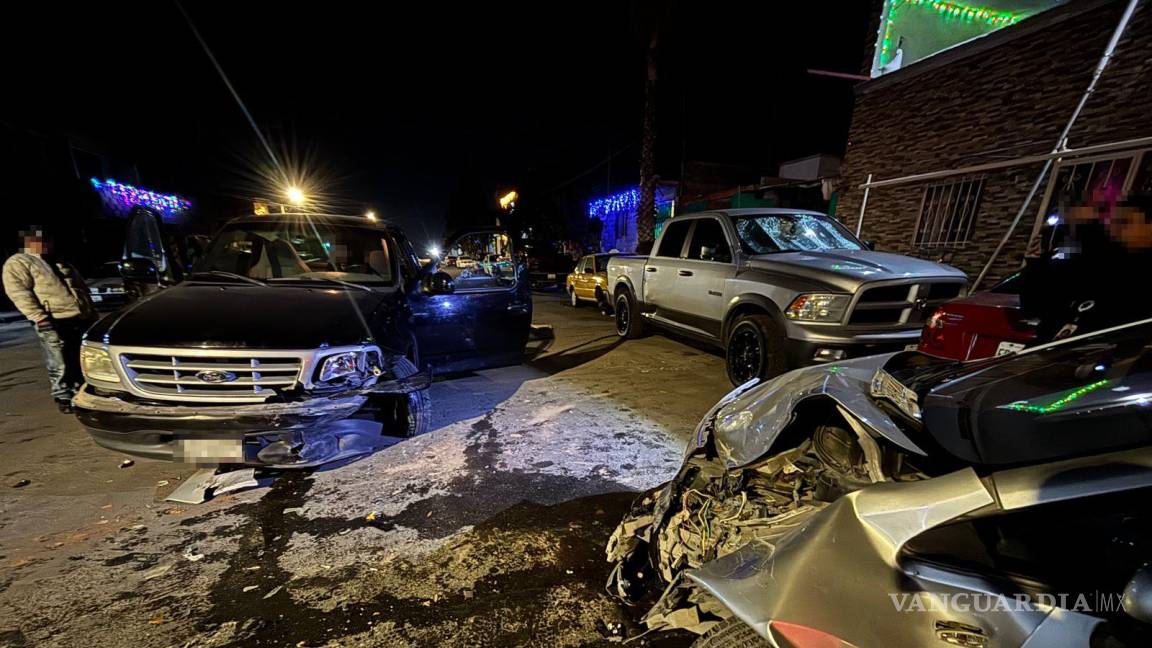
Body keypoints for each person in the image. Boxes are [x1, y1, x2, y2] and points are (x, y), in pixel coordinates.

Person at [3, 227, 95, 413]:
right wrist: (39, 317)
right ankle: (63, 395)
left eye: (46, 240)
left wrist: (90, 311)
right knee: (59, 361)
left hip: (78, 317)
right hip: (53, 320)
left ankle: (82, 391)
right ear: (28, 242)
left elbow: (79, 286)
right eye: (39, 240)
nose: (45, 244)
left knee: (80, 358)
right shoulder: (19, 262)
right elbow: (20, 293)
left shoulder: (59, 260)